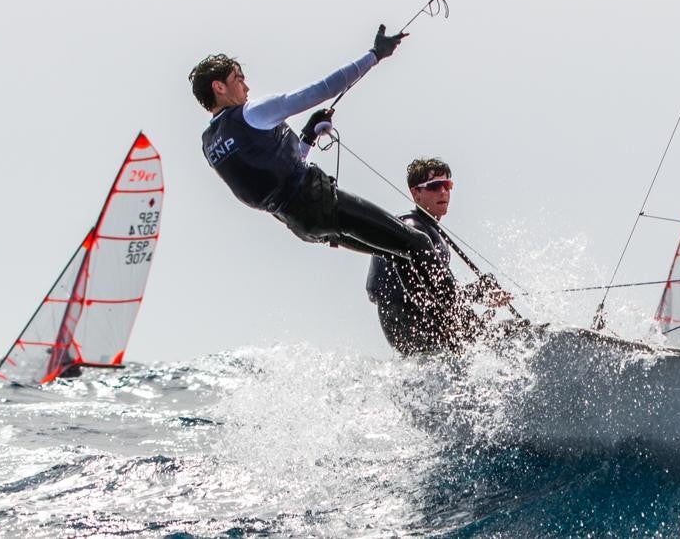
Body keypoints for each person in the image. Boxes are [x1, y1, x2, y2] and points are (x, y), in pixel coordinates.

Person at [189, 26, 447, 303]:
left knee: (396, 251)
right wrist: (374, 55)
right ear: (219, 87)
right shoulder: (250, 113)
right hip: (320, 201)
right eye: (238, 79)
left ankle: (438, 326)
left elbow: (277, 174)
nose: (246, 86)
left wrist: (308, 136)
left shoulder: (210, 144)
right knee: (419, 243)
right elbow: (322, 89)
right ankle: (462, 328)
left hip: (301, 223)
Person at [367, 158, 513, 356]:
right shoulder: (413, 229)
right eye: (435, 186)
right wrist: (479, 294)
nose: (443, 192)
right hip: (413, 325)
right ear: (416, 193)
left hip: (424, 324)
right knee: (507, 332)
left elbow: (442, 290)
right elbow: (435, 294)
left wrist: (480, 292)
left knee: (499, 330)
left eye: (447, 185)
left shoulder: (427, 230)